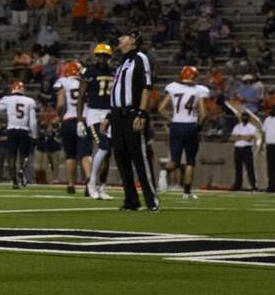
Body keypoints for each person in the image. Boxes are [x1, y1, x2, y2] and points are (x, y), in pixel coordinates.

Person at [110, 29, 159, 211]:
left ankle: (151, 200)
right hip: (117, 116)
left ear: (133, 40)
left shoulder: (140, 57)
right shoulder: (122, 62)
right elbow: (117, 90)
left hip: (132, 114)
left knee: (139, 158)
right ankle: (131, 200)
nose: (119, 38)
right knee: (121, 159)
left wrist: (142, 113)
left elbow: (147, 86)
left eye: (124, 36)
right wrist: (110, 115)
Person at [158, 66, 210, 200]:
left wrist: (171, 120)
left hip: (176, 126)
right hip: (190, 126)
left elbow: (161, 109)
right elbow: (204, 115)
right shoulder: (199, 90)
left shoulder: (173, 87)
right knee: (190, 161)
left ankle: (165, 171)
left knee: (174, 161)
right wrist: (199, 127)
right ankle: (186, 193)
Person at [83, 44, 114, 200]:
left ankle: (102, 186)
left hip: (109, 114)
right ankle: (91, 182)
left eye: (105, 56)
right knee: (103, 146)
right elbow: (82, 94)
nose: (102, 58)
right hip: (94, 113)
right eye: (100, 55)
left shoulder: (113, 72)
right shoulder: (90, 71)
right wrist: (79, 119)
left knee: (108, 154)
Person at [0, 81, 38, 189]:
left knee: (11, 156)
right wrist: (35, 135)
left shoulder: (7, 99)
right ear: (22, 89)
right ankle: (21, 170)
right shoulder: (29, 101)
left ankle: (14, 181)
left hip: (11, 129)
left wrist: (6, 115)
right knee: (24, 155)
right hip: (24, 130)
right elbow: (33, 121)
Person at [54, 61, 86, 194]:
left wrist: (58, 115)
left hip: (68, 119)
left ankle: (71, 183)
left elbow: (61, 104)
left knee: (70, 155)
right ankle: (87, 181)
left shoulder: (64, 82)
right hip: (83, 119)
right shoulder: (85, 82)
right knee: (85, 153)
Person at [230, 112, 259, 191]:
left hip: (247, 149)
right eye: (243, 116)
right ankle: (237, 185)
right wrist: (243, 137)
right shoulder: (237, 127)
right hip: (237, 149)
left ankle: (254, 185)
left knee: (250, 168)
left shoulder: (252, 127)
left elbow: (250, 138)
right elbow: (232, 138)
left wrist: (239, 137)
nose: (244, 118)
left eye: (246, 117)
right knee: (238, 169)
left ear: (248, 118)